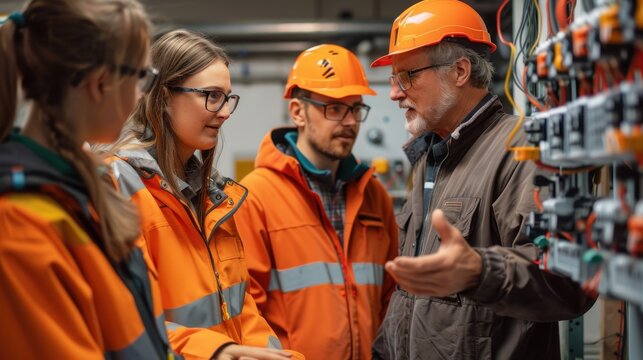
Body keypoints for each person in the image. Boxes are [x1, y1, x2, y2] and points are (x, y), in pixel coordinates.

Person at [369, 1, 595, 359]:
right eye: (394, 79)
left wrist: (478, 271)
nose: (395, 93)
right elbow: (410, 297)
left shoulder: (523, 150)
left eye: (407, 76)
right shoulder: (429, 158)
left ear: (460, 71)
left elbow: (571, 284)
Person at [105, 29, 303, 360]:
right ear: (164, 96)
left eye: (227, 98)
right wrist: (215, 351)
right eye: (211, 95)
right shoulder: (119, 187)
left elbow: (241, 311)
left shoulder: (213, 198)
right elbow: (119, 318)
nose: (224, 111)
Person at [0, 0, 175, 358]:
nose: (143, 92)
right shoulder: (18, 222)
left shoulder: (87, 188)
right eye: (142, 77)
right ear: (100, 83)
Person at [234, 44, 399, 360]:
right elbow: (244, 308)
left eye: (355, 108)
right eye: (334, 108)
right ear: (297, 111)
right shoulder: (255, 197)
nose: (350, 122)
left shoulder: (374, 195)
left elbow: (390, 295)